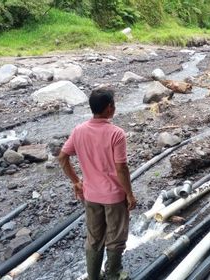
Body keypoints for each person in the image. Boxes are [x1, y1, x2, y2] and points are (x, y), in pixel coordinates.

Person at [58, 87, 137, 280]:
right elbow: (121, 168)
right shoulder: (116, 133)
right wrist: (129, 194)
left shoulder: (79, 130)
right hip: (114, 196)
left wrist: (76, 181)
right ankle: (113, 274)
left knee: (94, 238)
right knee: (116, 238)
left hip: (90, 195)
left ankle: (93, 276)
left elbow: (62, 157)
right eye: (114, 104)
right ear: (109, 108)